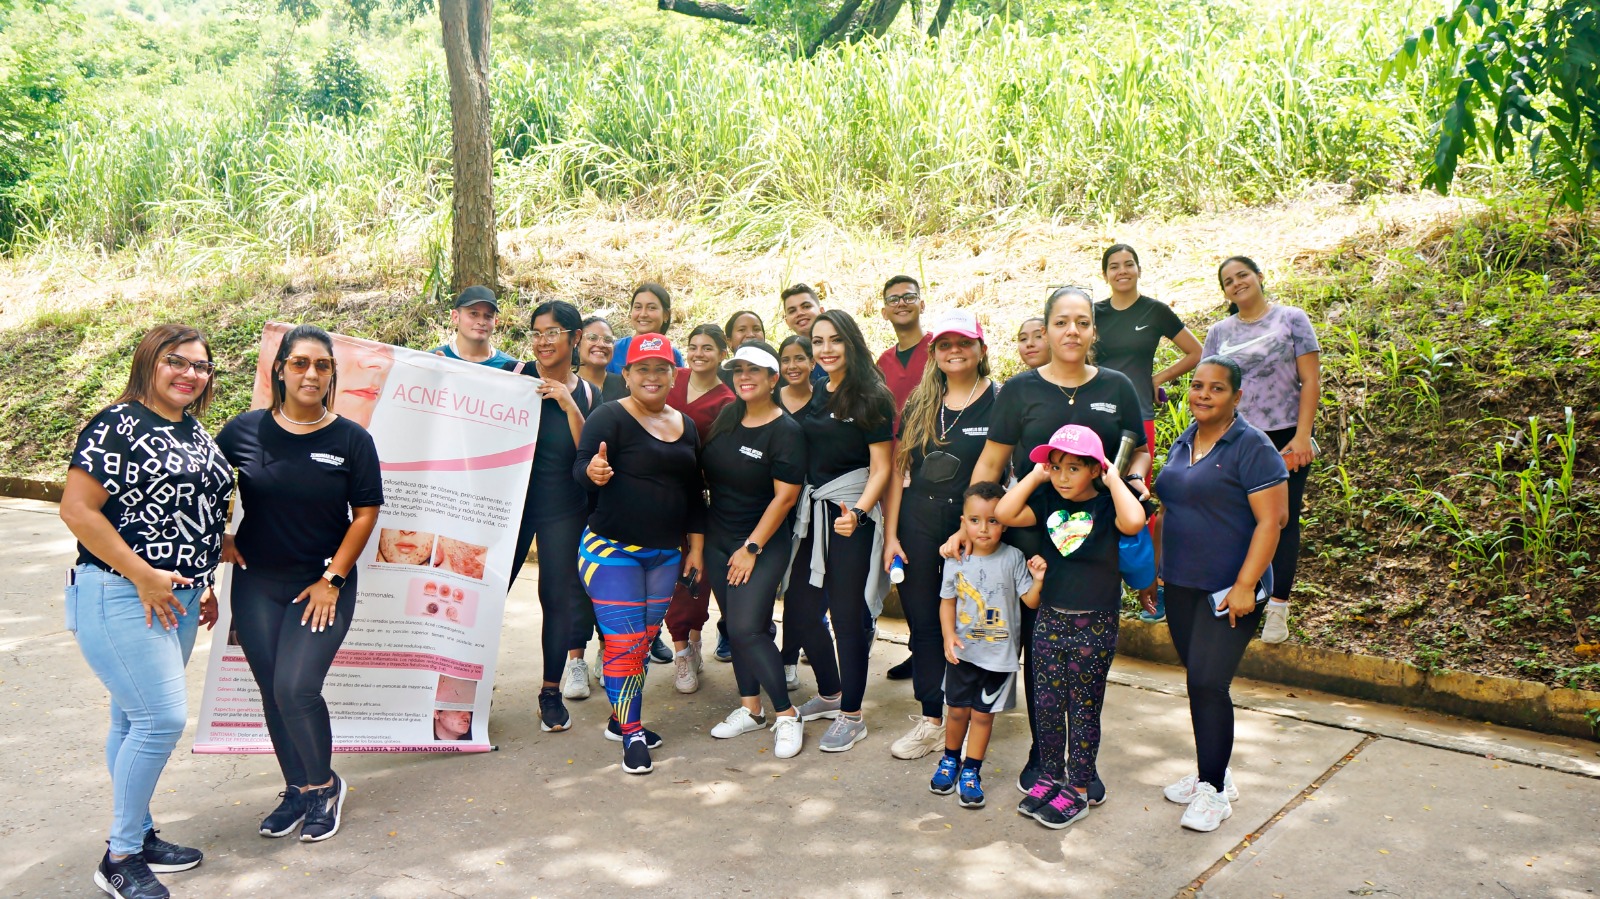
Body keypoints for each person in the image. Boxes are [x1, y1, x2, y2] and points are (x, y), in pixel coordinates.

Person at [945, 285, 1150, 793]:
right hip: (1032, 537)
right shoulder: (1020, 390)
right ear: (1047, 328)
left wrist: (1132, 479)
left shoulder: (1118, 386)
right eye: (1061, 322)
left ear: (1093, 330)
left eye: (1082, 322)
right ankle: (1044, 757)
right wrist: (968, 524)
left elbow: (1140, 450)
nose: (1072, 331)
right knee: (1041, 656)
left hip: (1096, 543)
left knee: (1086, 664)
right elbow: (992, 462)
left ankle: (1082, 766)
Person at [59, 324, 234, 899]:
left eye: (201, 366)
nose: (190, 374)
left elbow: (191, 513)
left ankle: (137, 831)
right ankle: (120, 856)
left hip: (176, 598)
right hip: (121, 592)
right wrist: (143, 575)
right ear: (148, 362)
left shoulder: (191, 428)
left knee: (131, 721)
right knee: (160, 721)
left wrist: (202, 581)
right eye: (176, 361)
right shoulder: (119, 423)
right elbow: (78, 511)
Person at [214, 324, 383, 844]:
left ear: (332, 375)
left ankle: (324, 787)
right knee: (272, 690)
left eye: (322, 365)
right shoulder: (243, 431)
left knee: (296, 687)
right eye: (300, 363)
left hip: (322, 584)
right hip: (257, 582)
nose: (311, 373)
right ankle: (297, 789)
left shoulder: (351, 439)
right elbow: (204, 485)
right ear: (280, 369)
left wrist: (332, 578)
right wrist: (219, 534)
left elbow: (366, 514)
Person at [1151, 355, 1289, 832]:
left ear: (1237, 396)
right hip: (1181, 584)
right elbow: (1167, 510)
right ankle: (1214, 771)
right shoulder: (1184, 440)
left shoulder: (1252, 446)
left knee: (1210, 683)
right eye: (1197, 386)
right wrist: (1155, 571)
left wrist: (1247, 585)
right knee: (1198, 681)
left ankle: (1213, 792)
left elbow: (1272, 522)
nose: (1203, 395)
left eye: (1216, 388)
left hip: (1230, 590)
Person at [997, 425, 1147, 829]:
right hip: (1049, 618)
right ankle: (1050, 777)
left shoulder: (1108, 505)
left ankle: (1078, 790)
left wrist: (1113, 479)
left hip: (1094, 623)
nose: (1063, 477)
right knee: (1047, 705)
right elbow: (1004, 513)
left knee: (1082, 709)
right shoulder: (1047, 499)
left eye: (1074, 468)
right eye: (1057, 467)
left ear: (1095, 469)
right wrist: (1036, 476)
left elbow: (1135, 522)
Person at [574, 333, 707, 775]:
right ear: (626, 375)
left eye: (661, 369)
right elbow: (581, 467)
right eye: (642, 369)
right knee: (626, 643)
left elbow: (694, 493)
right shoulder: (608, 416)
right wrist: (594, 471)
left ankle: (619, 718)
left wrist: (695, 549)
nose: (652, 377)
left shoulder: (686, 425)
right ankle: (631, 732)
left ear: (674, 375)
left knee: (644, 642)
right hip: (611, 550)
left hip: (665, 554)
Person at [881, 309, 997, 761]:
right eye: (945, 344)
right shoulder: (921, 401)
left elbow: (998, 471)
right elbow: (899, 470)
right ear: (934, 353)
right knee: (925, 624)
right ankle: (933, 720)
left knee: (971, 623)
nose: (955, 351)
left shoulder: (999, 400)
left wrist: (971, 528)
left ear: (981, 349)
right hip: (917, 520)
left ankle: (968, 716)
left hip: (973, 526)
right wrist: (892, 535)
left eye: (964, 343)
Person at [786, 310, 895, 753]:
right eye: (818, 341)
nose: (826, 349)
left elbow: (882, 466)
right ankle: (831, 693)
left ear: (851, 342)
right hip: (813, 513)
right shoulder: (818, 389)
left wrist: (860, 514)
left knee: (848, 618)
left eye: (834, 340)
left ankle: (852, 714)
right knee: (799, 607)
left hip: (851, 516)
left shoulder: (872, 395)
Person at [1203, 256, 1320, 644]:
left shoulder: (1291, 319)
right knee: (1235, 522)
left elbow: (1310, 380)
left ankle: (1278, 609)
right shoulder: (1219, 332)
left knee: (1281, 521)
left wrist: (1302, 436)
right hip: (1234, 437)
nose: (1237, 283)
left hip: (1285, 437)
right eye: (1228, 281)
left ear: (1259, 277)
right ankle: (1240, 598)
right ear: (1224, 292)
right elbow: (1208, 389)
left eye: (1243, 275)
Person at [700, 342, 807, 757]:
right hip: (718, 537)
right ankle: (751, 709)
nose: (744, 377)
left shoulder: (786, 431)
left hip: (760, 542)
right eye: (739, 369)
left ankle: (787, 714)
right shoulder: (728, 417)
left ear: (773, 379)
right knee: (735, 624)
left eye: (755, 370)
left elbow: (785, 498)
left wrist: (751, 547)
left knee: (747, 628)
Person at [1094, 244, 1203, 623]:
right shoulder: (1094, 313)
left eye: (1129, 264)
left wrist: (1156, 378)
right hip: (1096, 417)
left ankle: (1150, 588)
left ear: (1139, 269)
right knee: (1095, 497)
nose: (1122, 271)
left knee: (1138, 497)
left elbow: (1196, 352)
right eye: (1114, 266)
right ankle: (1101, 582)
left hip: (1137, 417)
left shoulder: (1154, 311)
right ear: (1105, 274)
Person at [503, 301, 600, 729]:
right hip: (510, 508)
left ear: (575, 338)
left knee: (557, 599)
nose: (543, 341)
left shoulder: (588, 394)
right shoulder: (513, 377)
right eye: (537, 332)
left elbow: (589, 455)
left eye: (553, 332)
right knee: (487, 594)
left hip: (563, 509)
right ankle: (461, 691)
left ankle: (549, 693)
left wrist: (567, 403)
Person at [928, 482, 1045, 810]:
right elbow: (947, 601)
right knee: (956, 712)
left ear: (1004, 523)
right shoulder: (956, 559)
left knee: (982, 717)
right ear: (963, 522)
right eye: (975, 520)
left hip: (999, 658)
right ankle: (950, 760)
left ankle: (971, 771)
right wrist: (948, 636)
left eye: (993, 520)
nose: (983, 528)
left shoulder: (1013, 558)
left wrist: (1038, 580)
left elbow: (1031, 601)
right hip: (963, 653)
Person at [663, 324, 735, 692]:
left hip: (700, 499)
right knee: (667, 573)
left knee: (695, 575)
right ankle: (681, 650)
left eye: (708, 348)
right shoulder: (672, 379)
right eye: (693, 346)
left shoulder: (727, 401)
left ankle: (691, 642)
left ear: (722, 353)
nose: (698, 354)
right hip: (659, 495)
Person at [774, 333, 815, 690]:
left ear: (813, 362)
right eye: (786, 359)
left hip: (810, 507)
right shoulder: (771, 398)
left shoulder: (824, 400)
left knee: (799, 591)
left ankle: (789, 658)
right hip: (771, 503)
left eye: (800, 358)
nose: (792, 366)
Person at [876, 275, 930, 428]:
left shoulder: (939, 349)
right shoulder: (883, 362)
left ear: (922, 305)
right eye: (893, 300)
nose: (901, 303)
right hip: (893, 442)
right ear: (884, 313)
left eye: (909, 297)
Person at [607, 283, 685, 374]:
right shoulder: (614, 349)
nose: (643, 314)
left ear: (666, 315)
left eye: (651, 308)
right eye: (638, 307)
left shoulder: (673, 354)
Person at [433, 285, 517, 367]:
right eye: (474, 314)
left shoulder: (511, 368)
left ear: (495, 322)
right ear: (455, 317)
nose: (481, 322)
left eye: (488, 316)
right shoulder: (434, 360)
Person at [781, 283, 830, 385]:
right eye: (792, 311)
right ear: (787, 321)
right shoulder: (785, 360)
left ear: (822, 311)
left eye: (806, 306)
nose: (800, 313)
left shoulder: (839, 350)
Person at [577, 316, 628, 402]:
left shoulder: (626, 386)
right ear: (578, 343)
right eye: (592, 338)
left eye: (608, 340)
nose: (601, 344)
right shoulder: (566, 385)